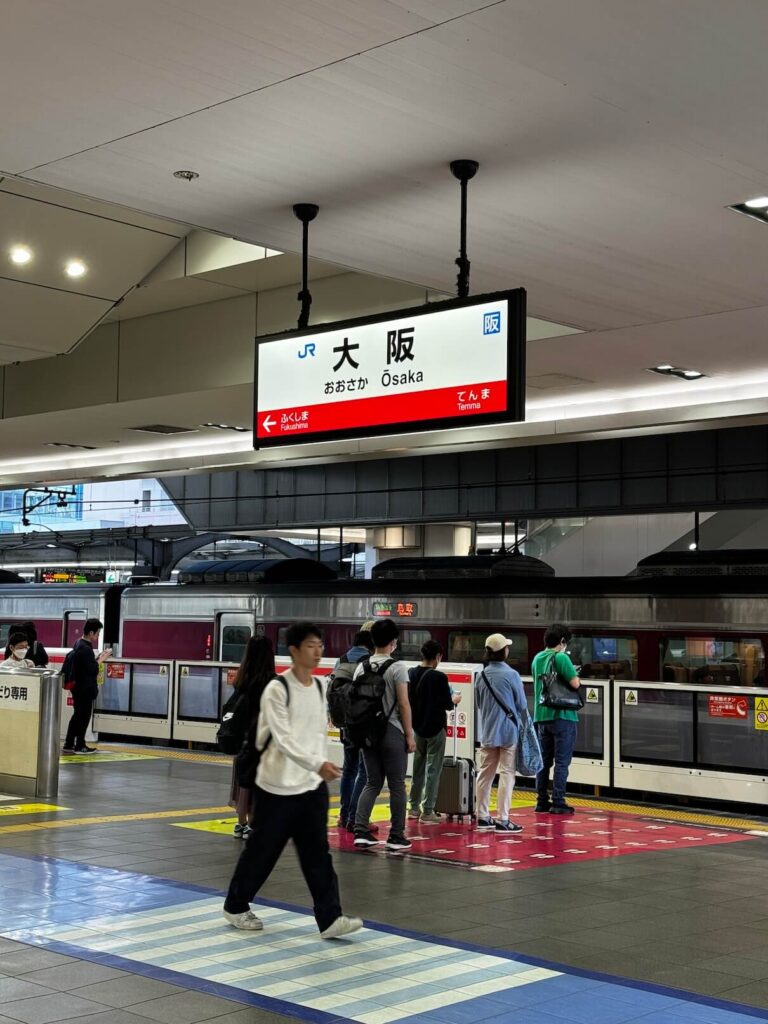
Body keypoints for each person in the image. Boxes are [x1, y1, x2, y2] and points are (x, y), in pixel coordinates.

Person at [223, 622, 361, 939]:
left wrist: (319, 767)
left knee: (318, 855)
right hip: (276, 787)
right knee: (263, 851)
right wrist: (317, 764)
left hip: (310, 787)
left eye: (320, 645)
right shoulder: (277, 689)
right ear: (294, 651)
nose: (318, 651)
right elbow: (283, 739)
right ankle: (235, 905)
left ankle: (330, 918)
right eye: (310, 645)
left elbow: (315, 734)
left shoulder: (319, 687)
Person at [353, 618, 415, 851]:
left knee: (372, 782)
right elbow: (404, 704)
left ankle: (361, 831)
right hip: (392, 731)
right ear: (393, 642)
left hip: (367, 732)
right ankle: (396, 836)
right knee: (397, 785)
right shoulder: (397, 668)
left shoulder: (361, 667)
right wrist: (409, 735)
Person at [474, 633, 527, 833]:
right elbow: (521, 704)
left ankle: (482, 817)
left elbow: (479, 704)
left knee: (485, 773)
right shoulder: (512, 675)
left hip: (488, 731)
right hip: (508, 731)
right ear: (504, 651)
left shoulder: (481, 676)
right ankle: (503, 819)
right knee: (507, 773)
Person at [228, 637, 277, 839]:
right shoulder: (270, 680)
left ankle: (240, 823)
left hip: (242, 737)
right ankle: (253, 824)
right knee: (258, 781)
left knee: (242, 779)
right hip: (261, 738)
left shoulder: (241, 677)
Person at [407, 640, 460, 823]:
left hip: (417, 728)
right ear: (437, 657)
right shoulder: (439, 677)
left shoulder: (411, 673)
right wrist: (455, 699)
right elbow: (447, 704)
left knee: (417, 769)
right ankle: (428, 811)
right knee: (433, 770)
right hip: (436, 728)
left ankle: (413, 808)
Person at [532, 623, 581, 815]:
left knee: (544, 761)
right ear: (562, 641)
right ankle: (558, 801)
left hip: (542, 716)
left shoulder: (537, 658)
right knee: (561, 761)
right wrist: (576, 675)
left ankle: (541, 801)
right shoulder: (561, 657)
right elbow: (575, 684)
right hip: (562, 715)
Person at [331, 627, 377, 834]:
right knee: (365, 772)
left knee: (348, 769)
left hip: (344, 723)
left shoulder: (341, 660)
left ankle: (344, 816)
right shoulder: (369, 662)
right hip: (363, 724)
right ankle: (354, 818)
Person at [63, 618, 111, 755]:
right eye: (97, 633)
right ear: (91, 633)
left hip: (77, 687)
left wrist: (97, 659)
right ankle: (80, 745)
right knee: (83, 717)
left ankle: (69, 743)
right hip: (84, 689)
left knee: (77, 716)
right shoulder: (86, 648)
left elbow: (84, 665)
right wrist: (101, 659)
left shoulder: (78, 643)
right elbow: (92, 669)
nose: (98, 636)